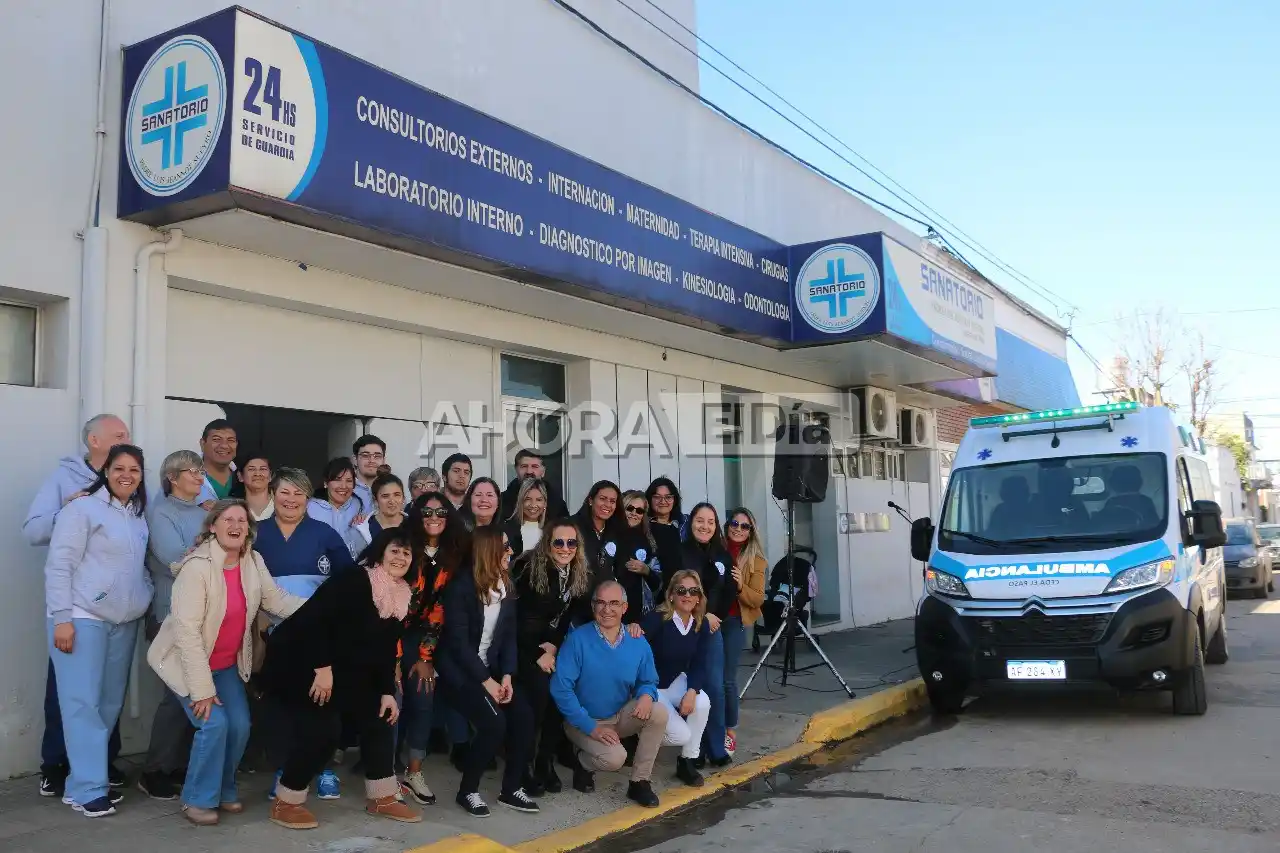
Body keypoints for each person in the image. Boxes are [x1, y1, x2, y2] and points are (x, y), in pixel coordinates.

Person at [146, 500, 305, 825]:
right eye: (227, 519)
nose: (235, 525)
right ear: (212, 526)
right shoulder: (197, 568)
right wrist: (202, 690)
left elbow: (275, 600)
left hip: (226, 665)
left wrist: (322, 605)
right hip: (187, 665)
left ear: (249, 529)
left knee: (241, 726)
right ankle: (197, 799)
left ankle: (223, 789)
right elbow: (187, 634)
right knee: (214, 724)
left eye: (242, 521)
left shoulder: (252, 560)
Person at [260, 528, 422, 830]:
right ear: (380, 553)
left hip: (342, 667)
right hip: (301, 661)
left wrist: (387, 691)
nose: (400, 557)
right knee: (323, 731)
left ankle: (382, 797)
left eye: (407, 553)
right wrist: (321, 669)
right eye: (395, 550)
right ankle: (286, 802)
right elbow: (315, 622)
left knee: (380, 717)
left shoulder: (399, 594)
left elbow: (386, 648)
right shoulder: (356, 579)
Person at [23, 413, 130, 797]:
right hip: (77, 609)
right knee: (67, 692)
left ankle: (101, 764)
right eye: (118, 434)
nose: (126, 438)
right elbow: (33, 530)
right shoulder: (63, 479)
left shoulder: (128, 485)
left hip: (117, 614)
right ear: (93, 440)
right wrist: (65, 511)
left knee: (107, 694)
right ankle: (55, 766)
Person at [45, 444, 153, 818]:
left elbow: (139, 567)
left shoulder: (137, 516)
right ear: (105, 471)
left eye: (135, 470)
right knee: (81, 704)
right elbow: (59, 565)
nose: (127, 475)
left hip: (122, 622)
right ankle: (90, 788)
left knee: (108, 705)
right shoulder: (81, 509)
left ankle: (82, 783)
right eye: (119, 468)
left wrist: (144, 595)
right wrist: (62, 618)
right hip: (81, 617)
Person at [437, 526, 539, 816]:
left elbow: (508, 636)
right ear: (487, 551)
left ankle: (511, 789)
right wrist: (487, 682)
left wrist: (506, 675)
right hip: (461, 672)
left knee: (524, 717)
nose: (510, 552)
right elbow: (458, 646)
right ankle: (467, 791)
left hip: (492, 671)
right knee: (494, 724)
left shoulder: (506, 584)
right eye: (505, 547)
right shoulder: (461, 588)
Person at [551, 580, 668, 807]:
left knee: (658, 712)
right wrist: (591, 728)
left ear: (624, 608)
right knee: (615, 759)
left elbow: (648, 680)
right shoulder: (578, 640)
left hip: (619, 716)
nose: (607, 609)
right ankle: (582, 763)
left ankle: (639, 782)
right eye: (601, 603)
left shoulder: (637, 641)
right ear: (593, 606)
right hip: (584, 721)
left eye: (614, 603)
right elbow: (560, 689)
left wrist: (646, 695)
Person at [137, 450, 210, 801]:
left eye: (200, 471)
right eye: (192, 471)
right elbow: (174, 560)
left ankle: (179, 764)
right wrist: (211, 538)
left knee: (197, 693)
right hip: (169, 614)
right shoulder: (160, 513)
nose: (199, 476)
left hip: (204, 616)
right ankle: (155, 770)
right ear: (173, 477)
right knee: (176, 694)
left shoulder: (205, 512)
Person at [512, 519, 591, 795]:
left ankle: (546, 761)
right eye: (559, 542)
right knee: (539, 696)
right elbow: (515, 622)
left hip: (547, 646)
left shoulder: (575, 571)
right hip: (521, 647)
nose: (565, 548)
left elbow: (566, 616)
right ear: (548, 544)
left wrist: (554, 647)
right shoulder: (530, 570)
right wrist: (538, 654)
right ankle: (524, 766)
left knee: (563, 691)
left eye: (571, 542)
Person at [396, 492, 463, 805]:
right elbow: (389, 607)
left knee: (423, 697)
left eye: (441, 512)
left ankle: (414, 770)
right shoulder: (403, 549)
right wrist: (394, 658)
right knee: (392, 702)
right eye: (427, 512)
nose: (434, 517)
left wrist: (425, 657)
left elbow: (440, 610)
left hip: (427, 637)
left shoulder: (454, 554)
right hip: (392, 635)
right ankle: (384, 773)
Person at [640, 570, 713, 787]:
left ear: (699, 597)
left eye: (693, 591)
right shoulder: (656, 619)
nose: (687, 595)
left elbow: (700, 663)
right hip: (652, 686)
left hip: (674, 682)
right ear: (671, 594)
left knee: (702, 702)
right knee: (680, 735)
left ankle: (687, 760)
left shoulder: (701, 624)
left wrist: (691, 692)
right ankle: (638, 735)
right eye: (681, 590)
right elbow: (634, 651)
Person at [681, 502, 736, 768]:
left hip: (712, 628)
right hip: (684, 628)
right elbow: (676, 592)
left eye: (711, 522)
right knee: (691, 689)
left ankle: (715, 747)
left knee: (714, 687)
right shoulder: (681, 553)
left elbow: (729, 591)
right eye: (700, 520)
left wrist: (717, 617)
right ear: (691, 523)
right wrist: (700, 616)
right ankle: (694, 749)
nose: (705, 526)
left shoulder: (723, 555)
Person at [722, 508, 766, 757]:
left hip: (733, 620)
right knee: (709, 679)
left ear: (751, 532)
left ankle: (730, 732)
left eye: (745, 526)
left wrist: (740, 586)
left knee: (727, 679)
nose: (738, 529)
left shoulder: (756, 560)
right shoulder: (716, 548)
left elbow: (757, 599)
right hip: (709, 619)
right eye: (734, 523)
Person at [571, 481, 622, 609]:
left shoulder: (616, 530)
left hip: (606, 606)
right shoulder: (571, 526)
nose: (607, 505)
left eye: (612, 501)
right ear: (590, 500)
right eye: (603, 499)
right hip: (576, 605)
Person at [615, 490, 664, 623]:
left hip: (638, 613)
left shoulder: (649, 541)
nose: (634, 513)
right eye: (629, 508)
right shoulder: (609, 535)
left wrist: (646, 571)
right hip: (610, 609)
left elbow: (658, 582)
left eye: (639, 511)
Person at [347, 473, 407, 557]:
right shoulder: (360, 531)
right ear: (375, 500)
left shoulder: (416, 525)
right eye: (385, 496)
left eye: (397, 495)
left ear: (403, 498)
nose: (392, 501)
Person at [500, 449, 569, 520]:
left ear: (543, 472)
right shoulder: (501, 502)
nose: (529, 471)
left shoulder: (557, 504)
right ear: (516, 469)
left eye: (534, 466)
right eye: (524, 466)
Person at [308, 458, 365, 535]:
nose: (343, 486)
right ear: (325, 483)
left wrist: (360, 526)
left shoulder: (357, 505)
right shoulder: (309, 508)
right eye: (337, 480)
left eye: (349, 481)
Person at [196, 420, 239, 505]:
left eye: (230, 440)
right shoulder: (183, 476)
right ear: (203, 443)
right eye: (216, 439)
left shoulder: (244, 476)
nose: (224, 446)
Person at [503, 477, 548, 555]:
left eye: (539, 500)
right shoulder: (506, 531)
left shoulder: (552, 531)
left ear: (545, 503)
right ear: (520, 501)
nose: (533, 505)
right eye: (528, 499)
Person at [352, 435, 387, 515]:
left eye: (377, 456)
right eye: (365, 455)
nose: (371, 460)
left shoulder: (392, 489)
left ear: (383, 461)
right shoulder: (345, 489)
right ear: (355, 460)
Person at [234, 452, 274, 520]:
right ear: (240, 476)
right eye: (251, 469)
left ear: (270, 476)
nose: (257, 474)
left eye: (263, 469)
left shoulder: (283, 505)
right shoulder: (232, 509)